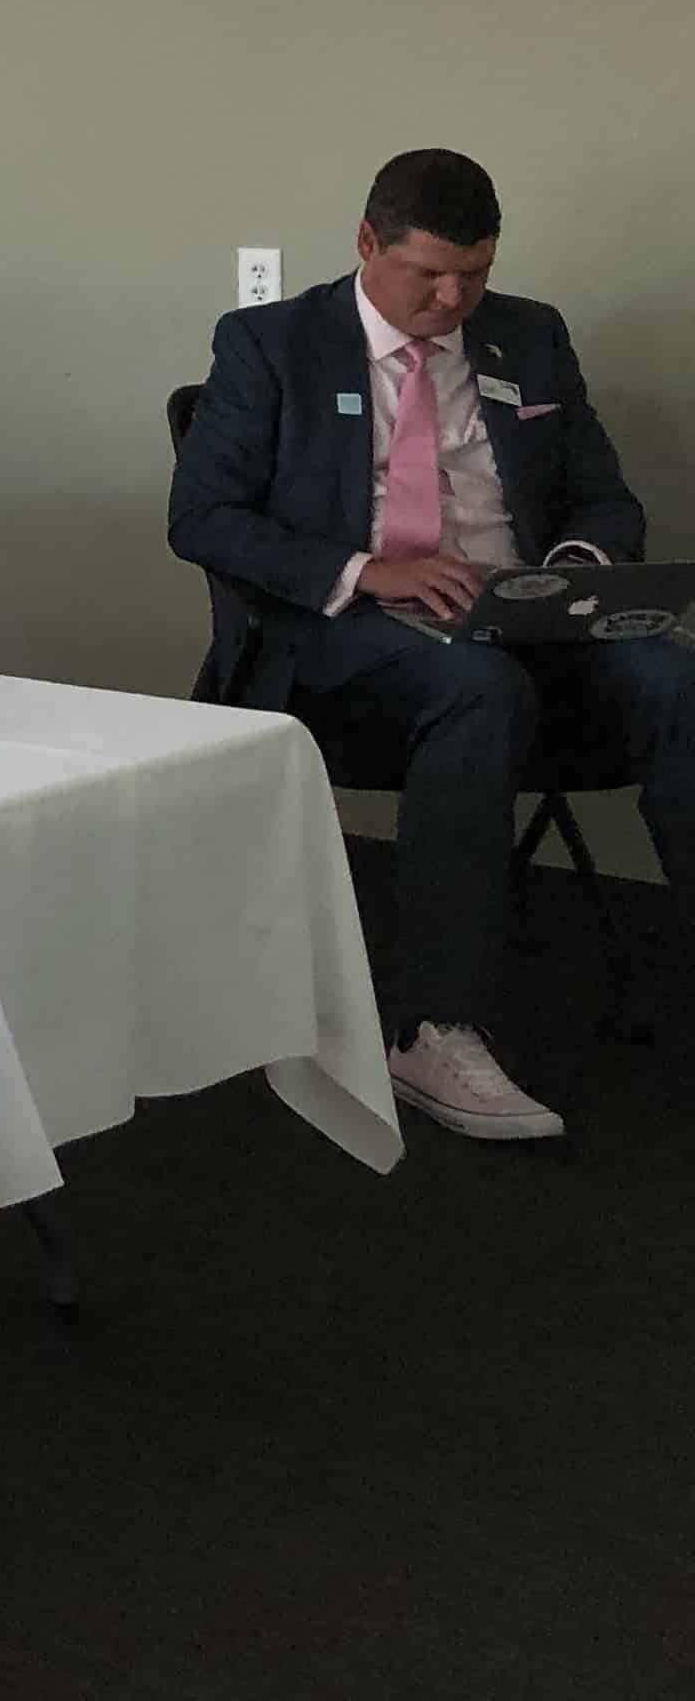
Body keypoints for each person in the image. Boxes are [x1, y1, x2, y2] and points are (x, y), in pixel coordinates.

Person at [169, 148, 692, 1144]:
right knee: (478, 687)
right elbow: (203, 519)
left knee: (676, 677)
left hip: (523, 620)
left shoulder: (530, 336)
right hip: (345, 638)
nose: (453, 299)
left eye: (476, 273)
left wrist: (572, 573)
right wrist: (368, 570)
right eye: (429, 273)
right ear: (368, 244)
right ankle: (433, 1028)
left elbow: (601, 495)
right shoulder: (271, 344)